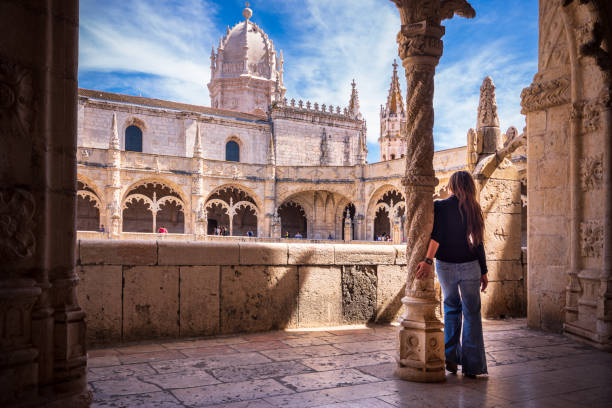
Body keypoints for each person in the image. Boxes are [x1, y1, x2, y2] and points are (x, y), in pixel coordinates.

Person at [415, 170, 488, 378]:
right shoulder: (474, 208)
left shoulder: (441, 206)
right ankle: (473, 366)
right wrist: (483, 271)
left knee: (451, 309)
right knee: (472, 313)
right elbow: (479, 243)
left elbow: (436, 236)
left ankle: (450, 359)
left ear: (453, 186)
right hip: (470, 265)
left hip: (446, 265)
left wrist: (428, 260)